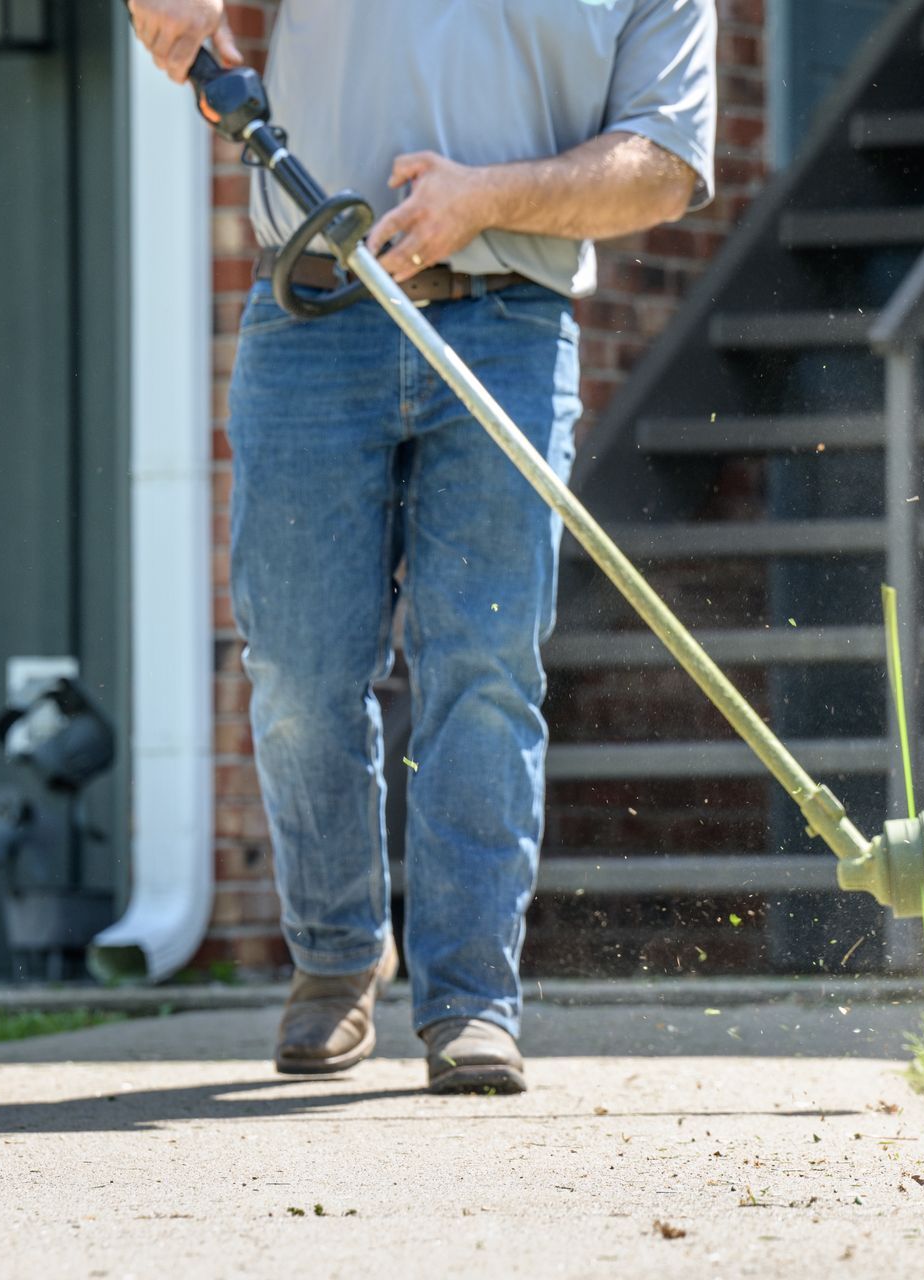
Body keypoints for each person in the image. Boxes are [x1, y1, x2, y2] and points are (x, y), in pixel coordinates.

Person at [129, 0, 717, 1094]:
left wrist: (482, 198)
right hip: (313, 308)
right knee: (298, 670)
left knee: (484, 667)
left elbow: (665, 166)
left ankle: (471, 1002)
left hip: (510, 323)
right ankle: (340, 955)